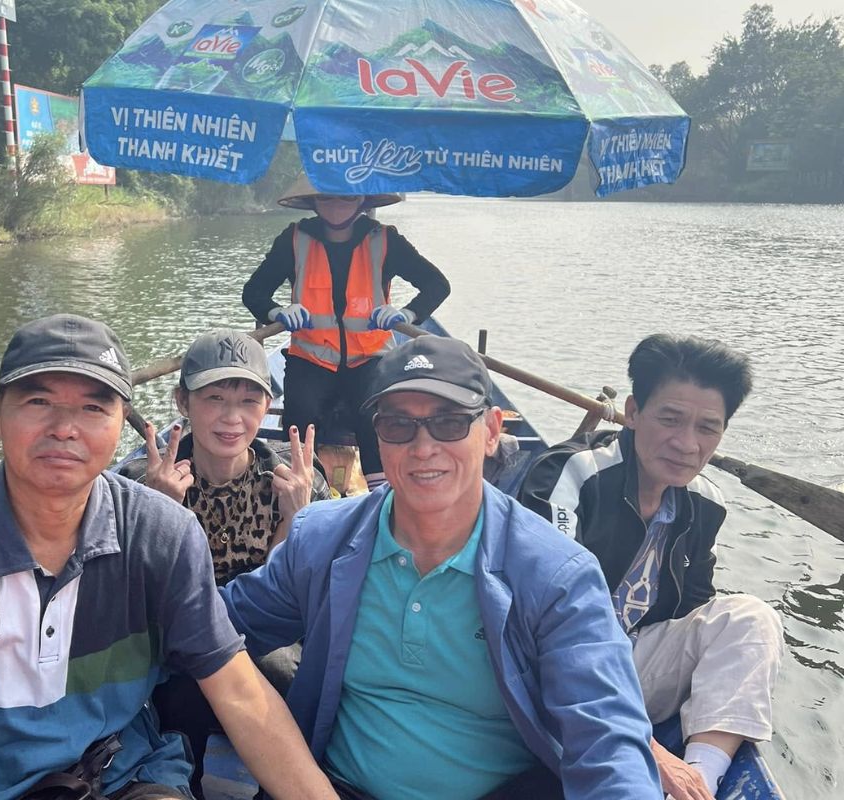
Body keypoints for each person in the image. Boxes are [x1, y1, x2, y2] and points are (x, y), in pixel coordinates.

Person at [0, 314, 338, 800]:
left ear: (122, 419)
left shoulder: (161, 531)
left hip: (125, 772)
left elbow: (240, 693)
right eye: (39, 401)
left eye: (93, 408)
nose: (64, 429)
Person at [221, 335, 663, 799]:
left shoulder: (556, 575)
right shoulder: (322, 540)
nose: (423, 447)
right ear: (377, 437)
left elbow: (607, 741)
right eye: (397, 425)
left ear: (492, 431)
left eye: (450, 423)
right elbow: (219, 625)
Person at [517, 333, 783, 800]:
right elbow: (538, 622)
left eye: (708, 428)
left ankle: (699, 780)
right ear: (634, 413)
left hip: (636, 664)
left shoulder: (704, 504)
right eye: (670, 419)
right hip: (556, 673)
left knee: (752, 618)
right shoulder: (572, 477)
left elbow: (692, 610)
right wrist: (648, 745)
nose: (686, 444)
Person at [113, 327, 331, 794]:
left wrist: (298, 521)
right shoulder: (138, 485)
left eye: (250, 401)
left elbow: (296, 601)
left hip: (261, 641)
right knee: (177, 689)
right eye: (214, 398)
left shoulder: (293, 483)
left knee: (285, 675)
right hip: (173, 641)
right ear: (183, 402)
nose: (232, 418)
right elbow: (127, 603)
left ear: (268, 406)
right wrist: (159, 517)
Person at [241, 173, 451, 491]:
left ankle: (381, 498)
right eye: (327, 197)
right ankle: (301, 495)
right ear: (313, 201)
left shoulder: (386, 240)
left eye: (347, 197)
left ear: (363, 200)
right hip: (310, 356)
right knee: (300, 418)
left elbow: (437, 285)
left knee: (375, 418)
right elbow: (253, 292)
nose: (337, 205)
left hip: (370, 355)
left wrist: (408, 313)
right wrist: (277, 312)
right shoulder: (293, 239)